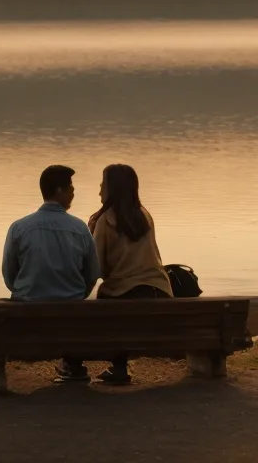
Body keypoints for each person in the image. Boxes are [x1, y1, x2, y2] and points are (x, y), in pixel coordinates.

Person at [0, 164, 101, 383]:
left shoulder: (19, 227)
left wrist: (27, 288)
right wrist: (76, 293)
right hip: (71, 315)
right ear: (59, 191)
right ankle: (72, 362)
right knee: (75, 316)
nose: (74, 191)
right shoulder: (80, 228)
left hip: (28, 314)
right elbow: (93, 273)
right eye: (71, 187)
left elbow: (9, 275)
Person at [85, 163, 173, 385]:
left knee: (108, 299)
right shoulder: (145, 216)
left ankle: (119, 367)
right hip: (160, 292)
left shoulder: (105, 221)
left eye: (103, 183)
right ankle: (119, 367)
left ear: (112, 188)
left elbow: (96, 268)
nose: (99, 188)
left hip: (124, 298)